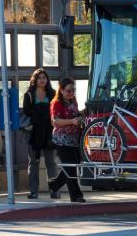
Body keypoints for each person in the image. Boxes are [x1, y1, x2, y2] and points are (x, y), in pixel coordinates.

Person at [23, 69, 59, 199]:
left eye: (44, 77)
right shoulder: (29, 94)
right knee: (33, 162)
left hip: (49, 132)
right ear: (35, 80)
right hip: (34, 133)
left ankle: (54, 190)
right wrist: (39, 114)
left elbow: (56, 110)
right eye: (39, 78)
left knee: (50, 162)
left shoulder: (53, 93)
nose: (42, 80)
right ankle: (33, 191)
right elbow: (26, 110)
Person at [48, 77, 85, 203]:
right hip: (62, 140)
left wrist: (80, 116)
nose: (71, 93)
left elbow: (75, 115)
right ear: (62, 90)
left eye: (73, 90)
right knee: (70, 168)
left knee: (72, 166)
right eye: (68, 91)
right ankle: (76, 195)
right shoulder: (56, 103)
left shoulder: (73, 101)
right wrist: (72, 121)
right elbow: (55, 121)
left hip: (74, 139)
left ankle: (54, 185)